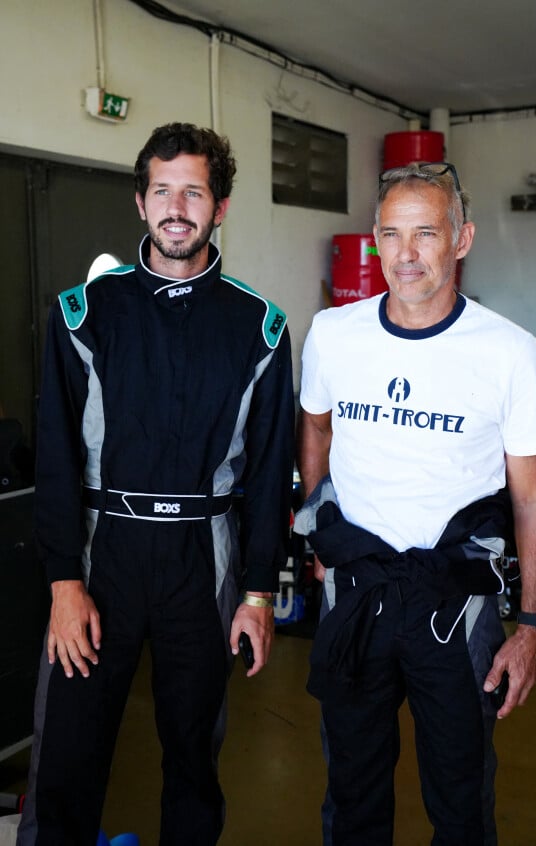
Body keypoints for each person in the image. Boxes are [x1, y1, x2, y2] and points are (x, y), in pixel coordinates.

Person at [17, 122, 294, 846]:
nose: (178, 207)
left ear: (219, 206)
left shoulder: (260, 327)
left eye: (194, 192)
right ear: (140, 203)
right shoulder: (84, 313)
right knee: (68, 761)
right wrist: (62, 584)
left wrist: (260, 593)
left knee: (193, 760)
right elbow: (55, 462)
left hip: (202, 561)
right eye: (163, 191)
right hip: (100, 559)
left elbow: (268, 474)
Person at [296, 162, 536, 846]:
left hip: (455, 608)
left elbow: (532, 497)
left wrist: (533, 625)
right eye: (390, 234)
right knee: (351, 793)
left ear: (462, 239)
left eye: (425, 234)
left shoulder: (509, 353)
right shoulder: (333, 333)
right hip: (358, 598)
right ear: (375, 240)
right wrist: (320, 535)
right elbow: (316, 430)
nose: (405, 254)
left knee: (461, 798)